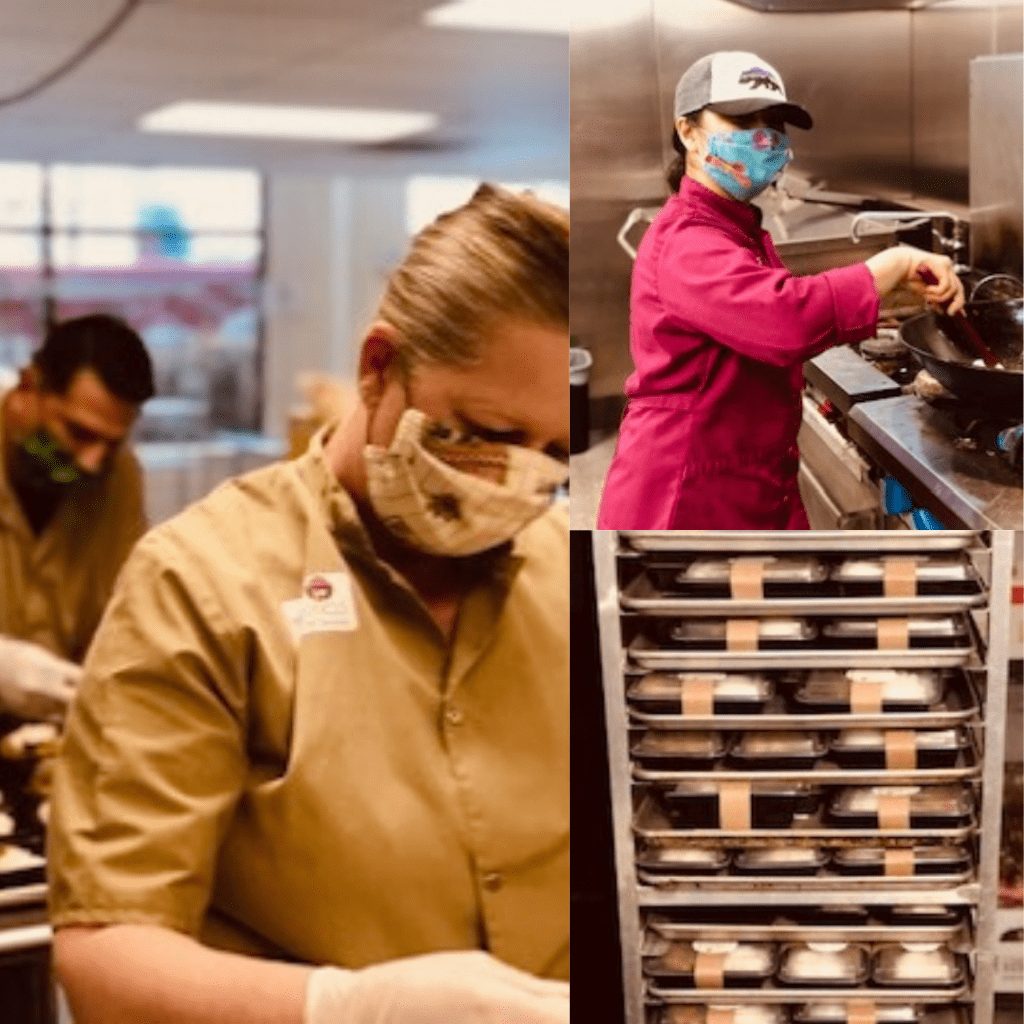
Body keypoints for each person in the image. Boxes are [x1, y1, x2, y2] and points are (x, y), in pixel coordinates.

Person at [48, 184, 571, 1024]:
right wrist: (349, 1007)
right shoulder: (204, 582)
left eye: (554, 454)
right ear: (377, 370)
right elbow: (105, 954)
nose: (518, 481)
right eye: (486, 434)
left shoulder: (565, 580)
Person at [596, 51, 965, 529]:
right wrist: (890, 264)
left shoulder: (733, 227)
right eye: (742, 119)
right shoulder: (688, 240)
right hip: (685, 494)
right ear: (687, 131)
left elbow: (759, 305)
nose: (763, 137)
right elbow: (783, 320)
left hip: (746, 479)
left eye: (773, 123)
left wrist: (895, 295)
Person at [0, 313, 154, 721]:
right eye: (80, 433)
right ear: (29, 388)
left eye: (111, 443)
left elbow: (128, 611)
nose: (91, 462)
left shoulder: (118, 479)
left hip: (55, 731)